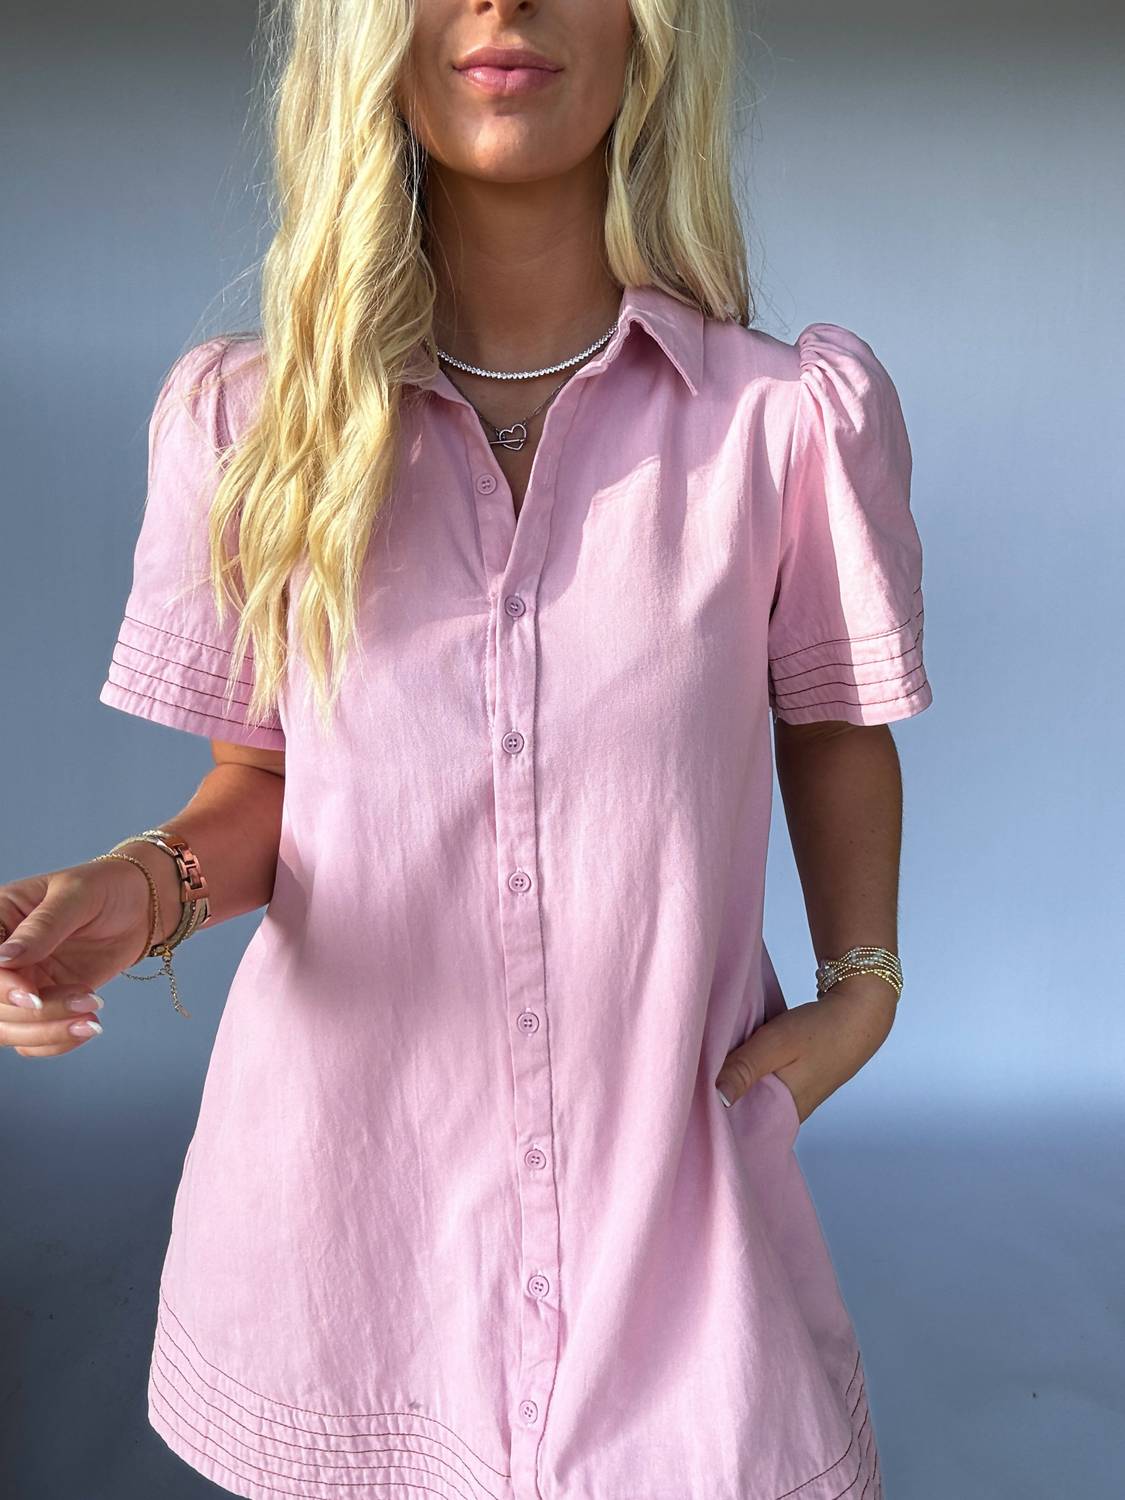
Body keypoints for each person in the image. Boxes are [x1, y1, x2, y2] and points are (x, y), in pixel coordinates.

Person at [0, 2, 933, 1497]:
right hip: (349, 1236)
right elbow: (269, 780)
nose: (502, 2)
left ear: (650, 32)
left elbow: (828, 721)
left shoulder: (779, 425)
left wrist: (862, 990)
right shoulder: (254, 427)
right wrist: (137, 890)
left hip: (670, 1218)